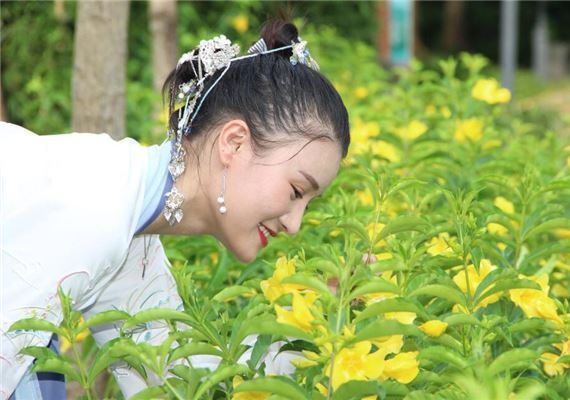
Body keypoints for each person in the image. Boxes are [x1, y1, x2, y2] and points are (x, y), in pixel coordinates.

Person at [0, 19, 350, 399]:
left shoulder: (132, 234)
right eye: (297, 191)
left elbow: (182, 381)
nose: (295, 224)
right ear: (234, 143)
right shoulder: (94, 208)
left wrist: (319, 317)